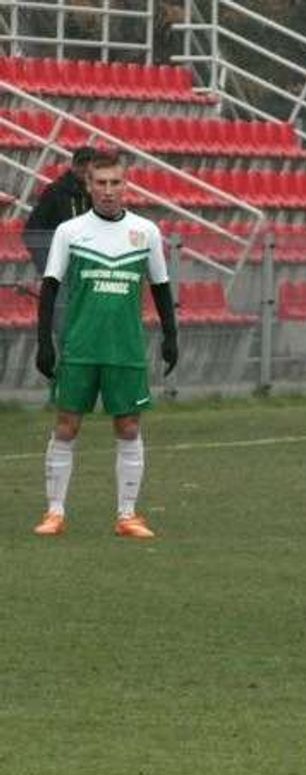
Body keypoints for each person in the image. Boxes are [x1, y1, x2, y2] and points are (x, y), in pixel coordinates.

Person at [32, 149, 178, 539]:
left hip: (125, 347)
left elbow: (161, 288)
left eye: (115, 182)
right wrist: (44, 342)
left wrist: (171, 335)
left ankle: (127, 515)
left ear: (125, 184)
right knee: (66, 426)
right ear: (89, 185)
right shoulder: (71, 231)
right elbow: (49, 289)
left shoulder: (145, 231)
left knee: (129, 427)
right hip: (80, 345)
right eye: (101, 183)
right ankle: (55, 512)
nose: (108, 191)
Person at [22, 146, 96, 275]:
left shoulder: (99, 195)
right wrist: (48, 267)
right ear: (73, 166)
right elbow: (32, 231)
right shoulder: (55, 192)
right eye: (81, 164)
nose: (85, 169)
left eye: (90, 165)